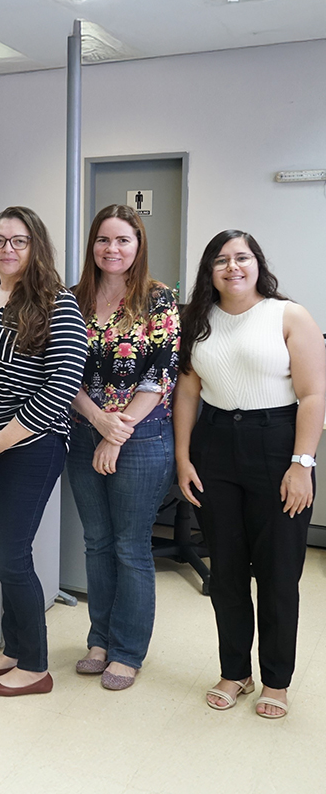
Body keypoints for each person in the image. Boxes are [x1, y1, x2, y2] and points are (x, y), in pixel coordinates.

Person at [174, 230, 324, 719]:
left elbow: (314, 396)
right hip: (215, 444)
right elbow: (189, 394)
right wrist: (183, 457)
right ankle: (235, 671)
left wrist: (302, 464)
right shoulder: (196, 319)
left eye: (242, 257)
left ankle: (276, 681)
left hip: (277, 443)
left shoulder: (288, 315)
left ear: (257, 263)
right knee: (228, 573)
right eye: (221, 260)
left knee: (279, 574)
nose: (232, 267)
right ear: (209, 270)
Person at [0, 206, 86, 697]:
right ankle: (13, 647)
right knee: (4, 553)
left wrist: (6, 435)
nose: (7, 249)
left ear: (36, 247)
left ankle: (36, 665)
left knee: (11, 556)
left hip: (32, 445)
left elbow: (63, 384)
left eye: (19, 241)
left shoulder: (57, 304)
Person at [68, 205, 180, 691]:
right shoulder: (72, 299)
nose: (112, 249)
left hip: (143, 435)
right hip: (85, 429)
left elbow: (161, 375)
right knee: (96, 541)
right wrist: (98, 422)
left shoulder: (160, 299)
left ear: (138, 246)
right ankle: (100, 639)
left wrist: (118, 432)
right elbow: (63, 371)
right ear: (92, 245)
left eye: (123, 240)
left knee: (130, 546)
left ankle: (128, 650)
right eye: (103, 240)